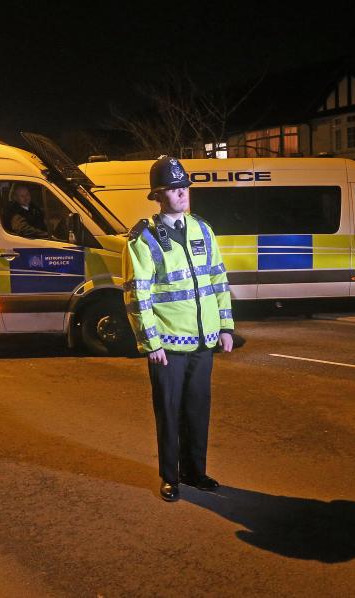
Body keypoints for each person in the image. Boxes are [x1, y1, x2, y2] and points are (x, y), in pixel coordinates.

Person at [122, 156, 234, 502]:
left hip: (203, 341)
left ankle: (195, 472)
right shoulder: (145, 238)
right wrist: (150, 341)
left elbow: (218, 278)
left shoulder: (203, 228)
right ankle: (171, 477)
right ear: (158, 196)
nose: (182, 193)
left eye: (184, 186)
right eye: (174, 188)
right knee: (169, 412)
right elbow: (138, 294)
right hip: (167, 345)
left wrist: (226, 326)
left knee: (198, 409)